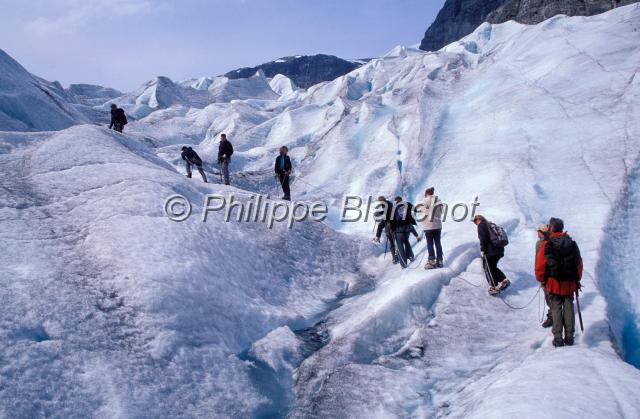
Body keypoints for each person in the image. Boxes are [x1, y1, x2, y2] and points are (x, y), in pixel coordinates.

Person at [535, 217, 583, 347]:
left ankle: (558, 338)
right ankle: (569, 337)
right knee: (568, 307)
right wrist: (577, 279)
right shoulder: (571, 243)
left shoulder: (547, 243)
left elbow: (540, 264)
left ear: (551, 228)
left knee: (556, 308)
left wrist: (541, 279)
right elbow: (579, 263)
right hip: (569, 282)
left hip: (553, 282)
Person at [473, 215, 510, 295]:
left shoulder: (481, 225)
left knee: (487, 268)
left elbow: (483, 238)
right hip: (499, 249)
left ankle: (494, 287)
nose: (475, 223)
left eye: (475, 221)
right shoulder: (490, 224)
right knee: (492, 267)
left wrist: (483, 249)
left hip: (490, 250)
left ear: (478, 219)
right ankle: (504, 280)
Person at [419, 187, 444, 269]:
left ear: (426, 194)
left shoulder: (424, 201)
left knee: (430, 244)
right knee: (438, 243)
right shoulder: (439, 201)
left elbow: (422, 211)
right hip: (437, 225)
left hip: (428, 226)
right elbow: (441, 212)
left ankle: (431, 261)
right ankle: (440, 260)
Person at [390, 196, 417, 269]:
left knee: (400, 246)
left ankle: (403, 263)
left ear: (396, 201)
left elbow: (391, 220)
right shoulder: (407, 204)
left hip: (399, 229)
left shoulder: (394, 208)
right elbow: (415, 210)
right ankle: (411, 256)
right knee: (406, 241)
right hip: (408, 227)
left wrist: (392, 229)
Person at [536, 223, 553, 328]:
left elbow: (539, 261)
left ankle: (553, 317)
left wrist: (540, 276)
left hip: (546, 276)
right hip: (556, 274)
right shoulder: (555, 241)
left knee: (549, 297)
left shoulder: (540, 244)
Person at [373, 196, 399, 264]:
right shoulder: (388, 203)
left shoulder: (385, 204)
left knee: (392, 242)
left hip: (390, 223)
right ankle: (377, 237)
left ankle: (395, 257)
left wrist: (379, 214)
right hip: (392, 222)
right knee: (393, 241)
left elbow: (387, 213)